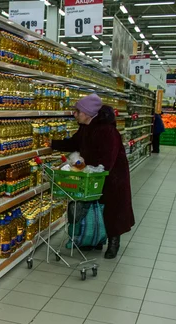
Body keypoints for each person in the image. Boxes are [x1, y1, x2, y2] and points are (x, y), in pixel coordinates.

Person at [51, 93, 135, 259]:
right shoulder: (85, 127)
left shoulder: (108, 131)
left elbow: (107, 160)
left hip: (112, 176)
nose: (75, 114)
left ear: (88, 113)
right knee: (93, 207)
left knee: (112, 209)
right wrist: (52, 144)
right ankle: (96, 238)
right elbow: (74, 143)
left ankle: (113, 242)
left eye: (78, 111)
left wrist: (87, 168)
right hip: (91, 174)